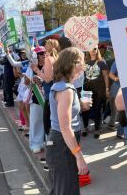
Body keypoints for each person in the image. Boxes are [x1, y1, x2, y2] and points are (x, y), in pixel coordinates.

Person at [46, 47, 92, 195]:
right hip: (62, 145)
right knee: (66, 190)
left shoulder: (65, 87)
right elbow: (65, 128)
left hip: (62, 144)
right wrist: (79, 157)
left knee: (62, 189)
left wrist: (80, 106)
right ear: (71, 64)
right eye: (81, 62)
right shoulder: (66, 90)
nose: (83, 66)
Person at [82, 45, 110, 138]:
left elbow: (106, 76)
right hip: (87, 87)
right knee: (85, 109)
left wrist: (107, 89)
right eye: (90, 48)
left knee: (97, 108)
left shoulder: (102, 61)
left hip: (99, 88)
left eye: (94, 48)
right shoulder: (85, 61)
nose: (92, 50)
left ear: (97, 49)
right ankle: (85, 127)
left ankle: (97, 129)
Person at [26, 46, 47, 153]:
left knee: (46, 122)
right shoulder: (32, 68)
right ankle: (35, 143)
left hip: (48, 99)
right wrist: (31, 80)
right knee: (35, 121)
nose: (44, 55)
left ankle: (43, 142)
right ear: (36, 56)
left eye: (45, 53)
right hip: (37, 98)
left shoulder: (49, 66)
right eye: (41, 54)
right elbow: (26, 83)